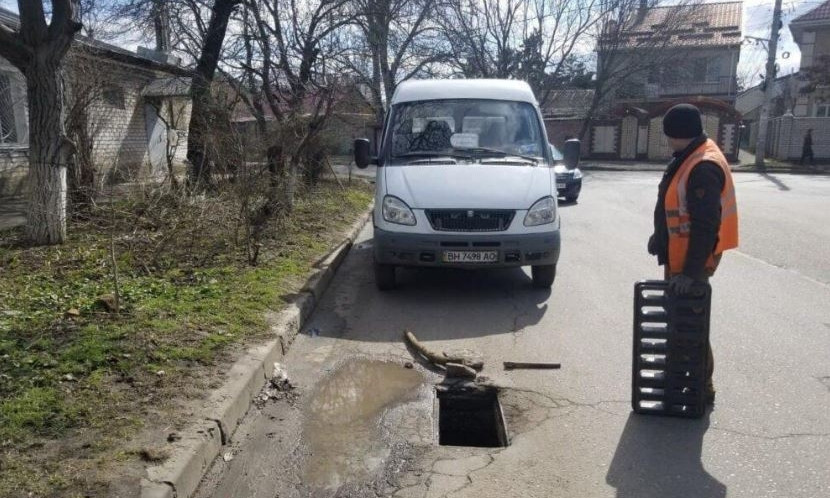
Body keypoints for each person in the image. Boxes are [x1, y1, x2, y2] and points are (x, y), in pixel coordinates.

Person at [647, 103, 739, 405]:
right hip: (680, 255)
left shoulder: (703, 166)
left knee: (691, 322)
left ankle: (702, 385)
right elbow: (678, 207)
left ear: (677, 134)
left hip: (693, 261)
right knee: (679, 319)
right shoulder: (691, 155)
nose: (667, 141)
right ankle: (676, 373)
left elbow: (704, 225)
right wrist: (659, 238)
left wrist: (690, 273)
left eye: (669, 135)